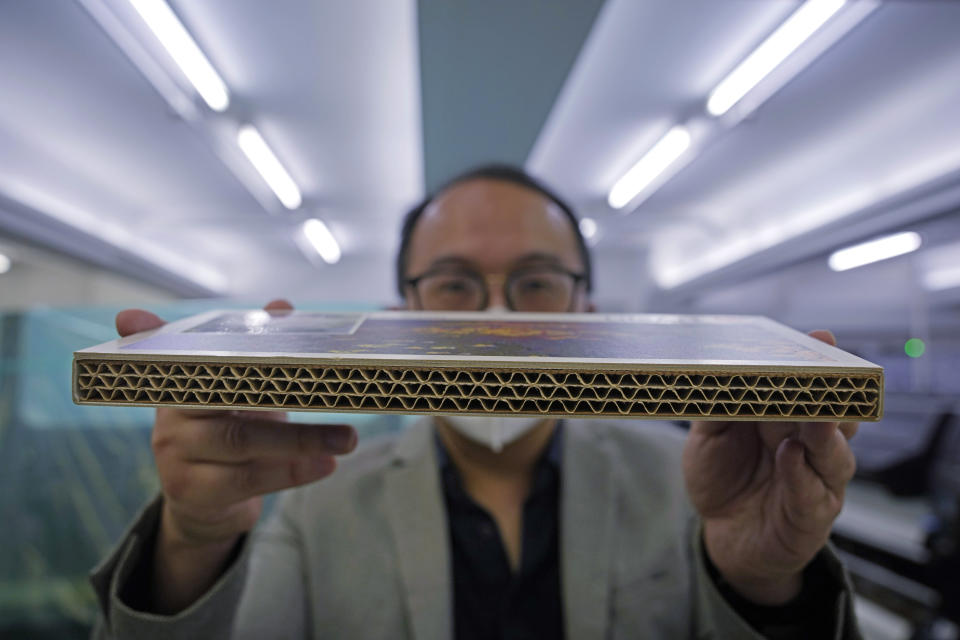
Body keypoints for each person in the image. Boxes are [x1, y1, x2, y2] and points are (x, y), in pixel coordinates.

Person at [90, 165, 861, 639]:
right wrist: (193, 541)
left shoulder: (697, 482)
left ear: (587, 313)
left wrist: (765, 587)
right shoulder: (318, 503)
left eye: (536, 282)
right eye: (455, 285)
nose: (498, 320)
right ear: (399, 320)